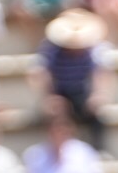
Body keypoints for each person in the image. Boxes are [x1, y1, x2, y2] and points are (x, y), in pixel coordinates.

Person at [34, 9, 113, 152]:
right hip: (60, 92)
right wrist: (49, 97)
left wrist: (98, 95)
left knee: (97, 113)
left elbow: (101, 72)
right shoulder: (51, 49)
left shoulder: (93, 49)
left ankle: (100, 149)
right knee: (57, 113)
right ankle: (59, 149)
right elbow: (40, 73)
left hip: (82, 91)